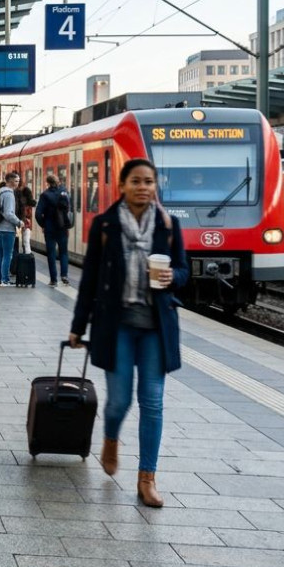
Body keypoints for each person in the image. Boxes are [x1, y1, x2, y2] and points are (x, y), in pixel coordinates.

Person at [69, 158, 188, 509]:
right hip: (116, 326)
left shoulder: (169, 225)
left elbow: (183, 270)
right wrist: (78, 326)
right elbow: (89, 280)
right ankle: (110, 438)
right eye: (136, 181)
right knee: (119, 401)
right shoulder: (105, 225)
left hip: (155, 328)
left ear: (155, 187)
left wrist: (173, 278)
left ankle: (147, 478)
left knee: (152, 402)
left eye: (149, 181)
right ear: (122, 186)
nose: (143, 187)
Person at [35, 174, 72, 287]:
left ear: (48, 183)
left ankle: (53, 279)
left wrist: (43, 224)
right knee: (64, 252)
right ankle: (64, 276)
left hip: (50, 228)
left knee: (51, 254)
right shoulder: (64, 192)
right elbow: (68, 209)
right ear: (58, 181)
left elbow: (37, 214)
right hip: (62, 227)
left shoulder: (45, 195)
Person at [0, 172, 24, 287]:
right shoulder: (9, 194)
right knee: (7, 255)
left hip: (0, 228)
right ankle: (5, 280)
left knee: (0, 254)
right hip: (7, 229)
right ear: (10, 181)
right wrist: (19, 222)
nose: (18, 183)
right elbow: (8, 213)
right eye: (16, 181)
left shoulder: (1, 192)